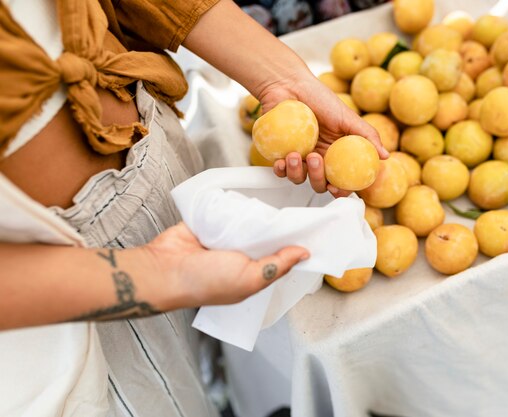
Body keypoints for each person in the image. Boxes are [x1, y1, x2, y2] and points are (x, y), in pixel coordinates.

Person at [0, 0, 386, 416]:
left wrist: (282, 78)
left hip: (155, 150)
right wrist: (156, 272)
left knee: (208, 349)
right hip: (69, 286)